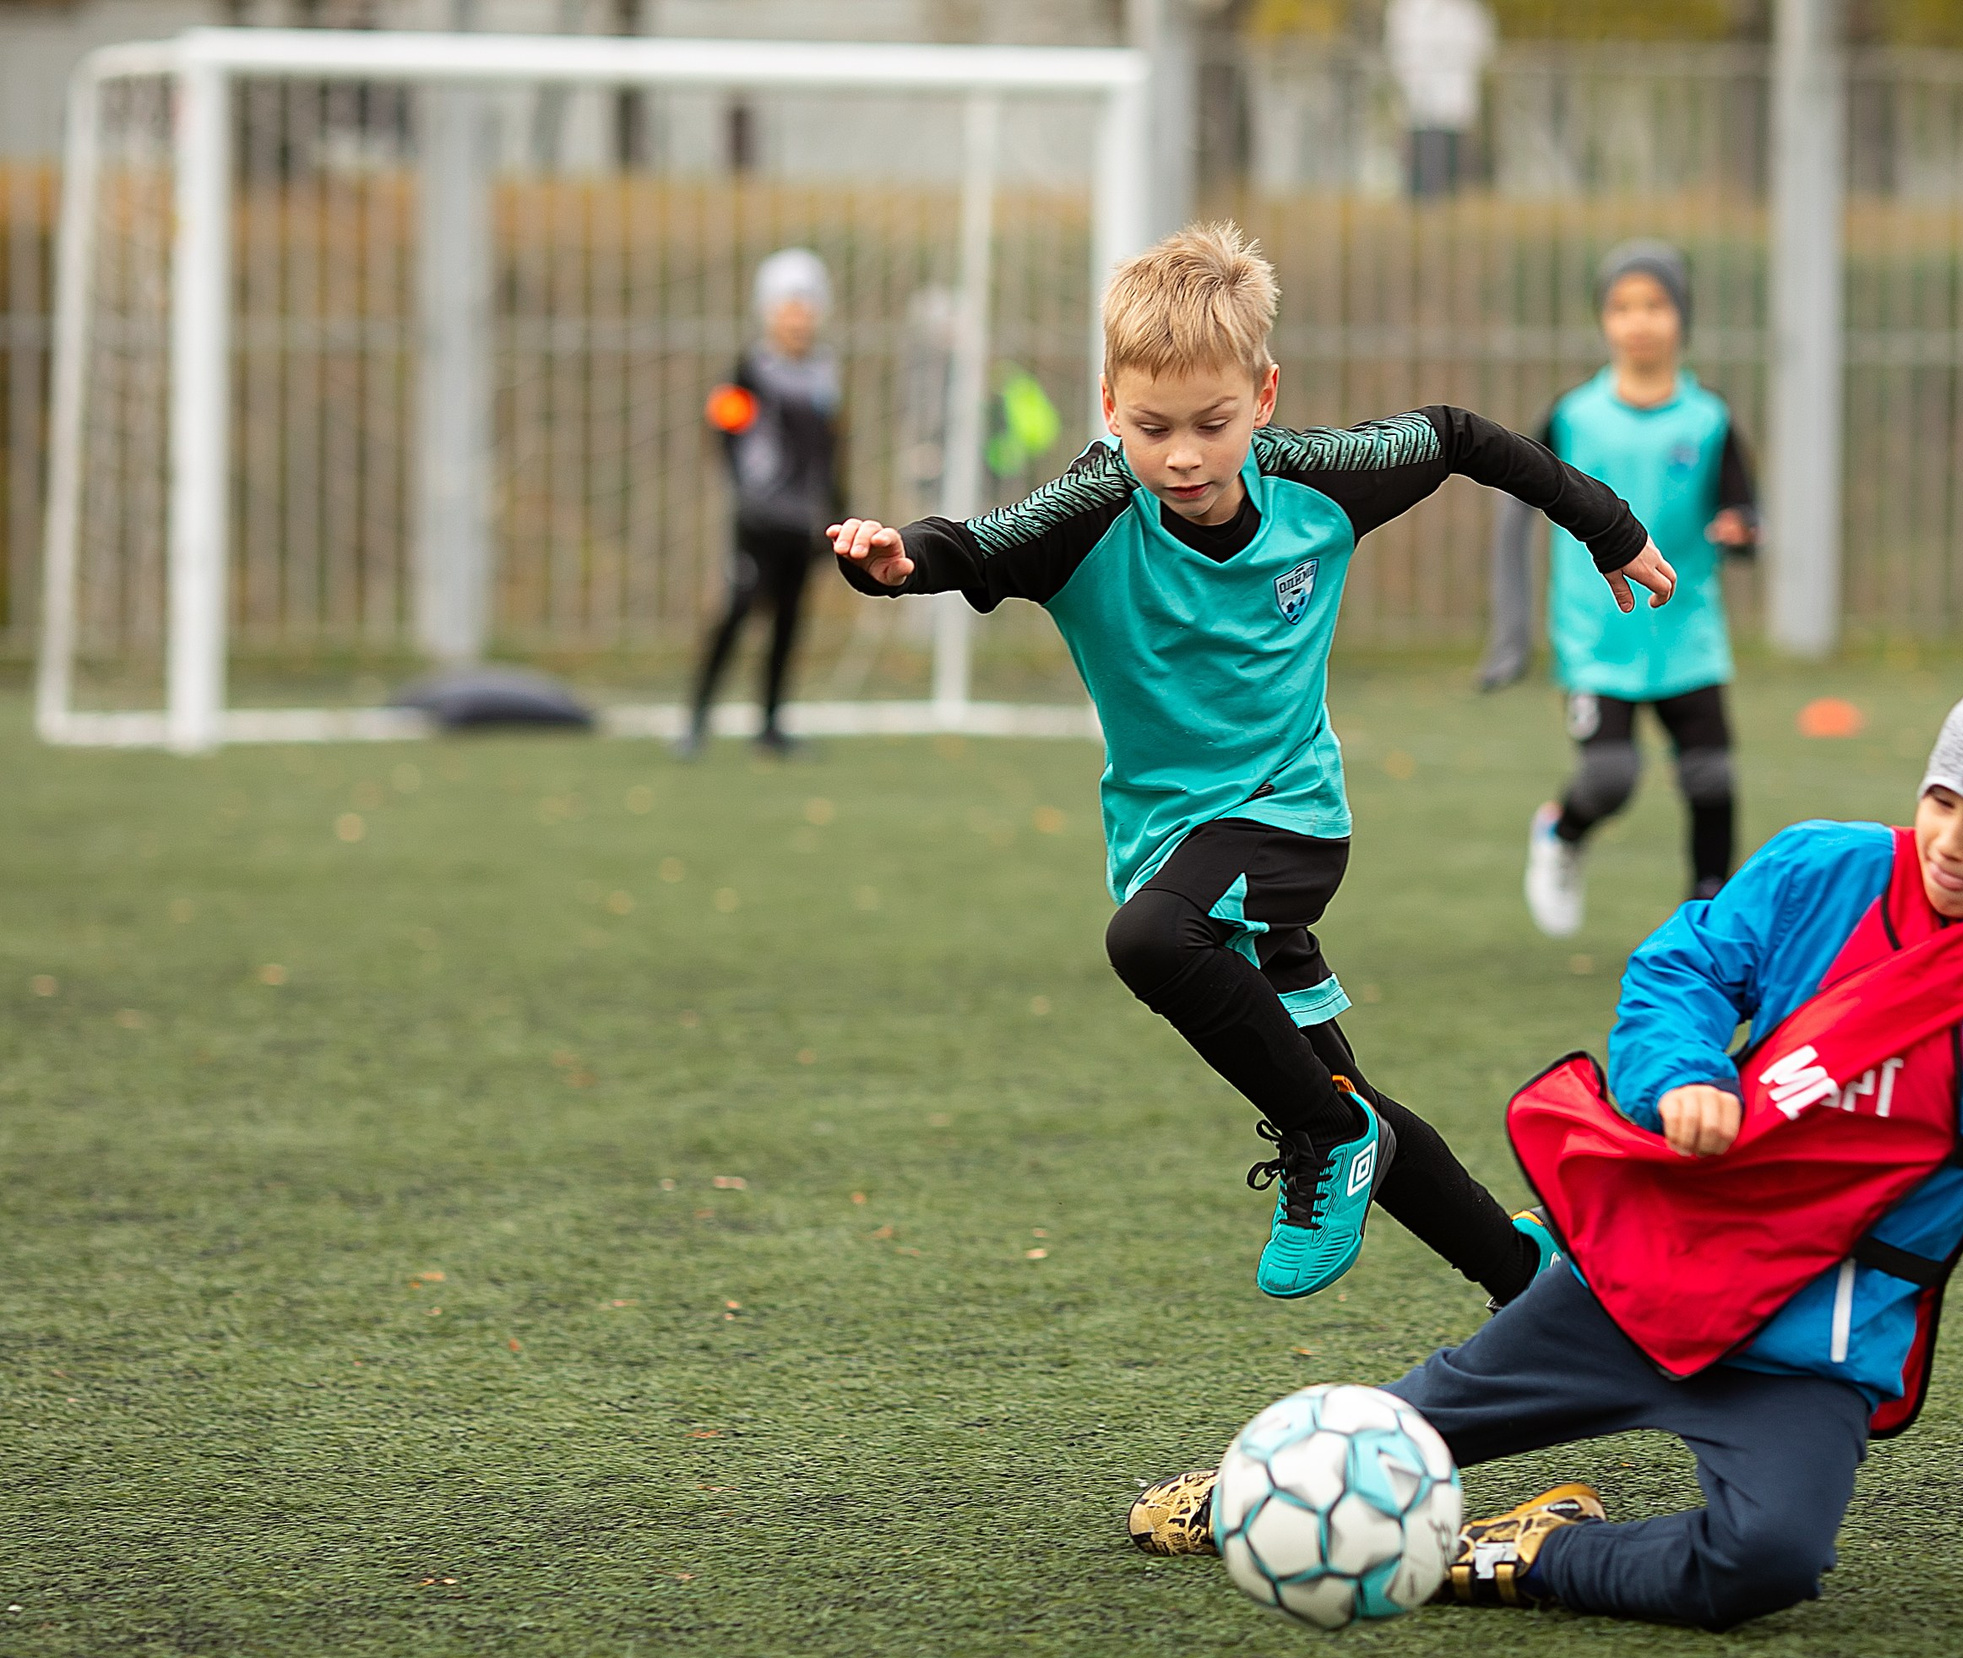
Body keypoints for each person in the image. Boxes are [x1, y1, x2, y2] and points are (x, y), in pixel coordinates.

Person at [1129, 639, 1963, 1629]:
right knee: (1416, 1417)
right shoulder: (1822, 867)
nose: (1956, 843)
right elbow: (1682, 962)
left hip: (1808, 1342)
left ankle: (1501, 1551)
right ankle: (1253, 1481)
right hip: (1652, 1271)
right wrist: (1682, 1070)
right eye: (1948, 798)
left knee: (1769, 1562)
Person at [828, 222, 1675, 1307]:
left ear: (1263, 397)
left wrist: (1603, 524)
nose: (1182, 455)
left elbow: (1459, 435)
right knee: (1338, 1082)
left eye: (1212, 424)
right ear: (1107, 405)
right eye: (1152, 427)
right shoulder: (1089, 512)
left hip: (1288, 820)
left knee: (1153, 947)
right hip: (1169, 842)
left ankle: (1328, 1141)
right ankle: (1531, 1284)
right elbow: (972, 543)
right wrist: (894, 565)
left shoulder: (1315, 480)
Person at [1483, 241, 1759, 937]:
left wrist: (1742, 530)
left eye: (1655, 305)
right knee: (1609, 778)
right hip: (1595, 633)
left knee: (1713, 783)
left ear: (1682, 317)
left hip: (1687, 632)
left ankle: (1708, 918)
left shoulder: (1709, 420)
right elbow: (1515, 506)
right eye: (1622, 306)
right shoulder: (1573, 417)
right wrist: (1511, 629)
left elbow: (1744, 509)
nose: (1639, 321)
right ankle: (1561, 831)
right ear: (1604, 321)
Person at [679, 248, 844, 759]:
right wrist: (746, 492)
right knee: (736, 611)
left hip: (803, 522)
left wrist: (837, 512)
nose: (798, 316)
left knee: (789, 620)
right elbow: (725, 429)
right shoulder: (750, 371)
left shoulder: (823, 375)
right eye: (788, 305)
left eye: (806, 305)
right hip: (758, 521)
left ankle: (770, 725)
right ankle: (697, 719)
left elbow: (832, 448)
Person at [1385, 0, 1495, 200]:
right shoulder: (1408, 8)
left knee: (1449, 149)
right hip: (1419, 89)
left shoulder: (1467, 10)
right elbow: (1399, 49)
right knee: (1422, 144)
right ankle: (1420, 196)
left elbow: (1482, 47)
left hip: (1452, 91)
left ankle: (1445, 195)